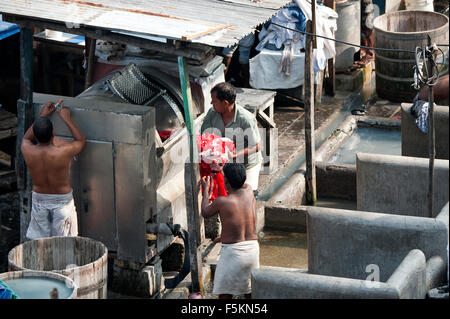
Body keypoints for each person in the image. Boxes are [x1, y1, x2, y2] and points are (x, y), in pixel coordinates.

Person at [21, 101, 86, 239]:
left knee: (40, 243)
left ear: (36, 136)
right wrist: (66, 118)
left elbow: (27, 137)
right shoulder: (63, 151)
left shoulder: (27, 148)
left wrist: (43, 115)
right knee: (64, 244)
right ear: (53, 133)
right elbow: (80, 141)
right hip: (62, 201)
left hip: (39, 199)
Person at [201, 162, 259, 299]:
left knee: (225, 293)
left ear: (226, 180)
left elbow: (205, 212)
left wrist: (205, 189)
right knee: (250, 291)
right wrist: (223, 173)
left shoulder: (222, 202)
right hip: (252, 249)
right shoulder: (249, 191)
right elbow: (238, 220)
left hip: (233, 253)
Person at [201, 82, 262, 194]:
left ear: (225, 103)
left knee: (247, 195)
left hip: (247, 164)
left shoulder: (245, 119)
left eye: (214, 101)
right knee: (227, 194)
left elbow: (257, 146)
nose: (211, 103)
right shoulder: (212, 113)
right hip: (226, 163)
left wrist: (236, 154)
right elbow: (204, 137)